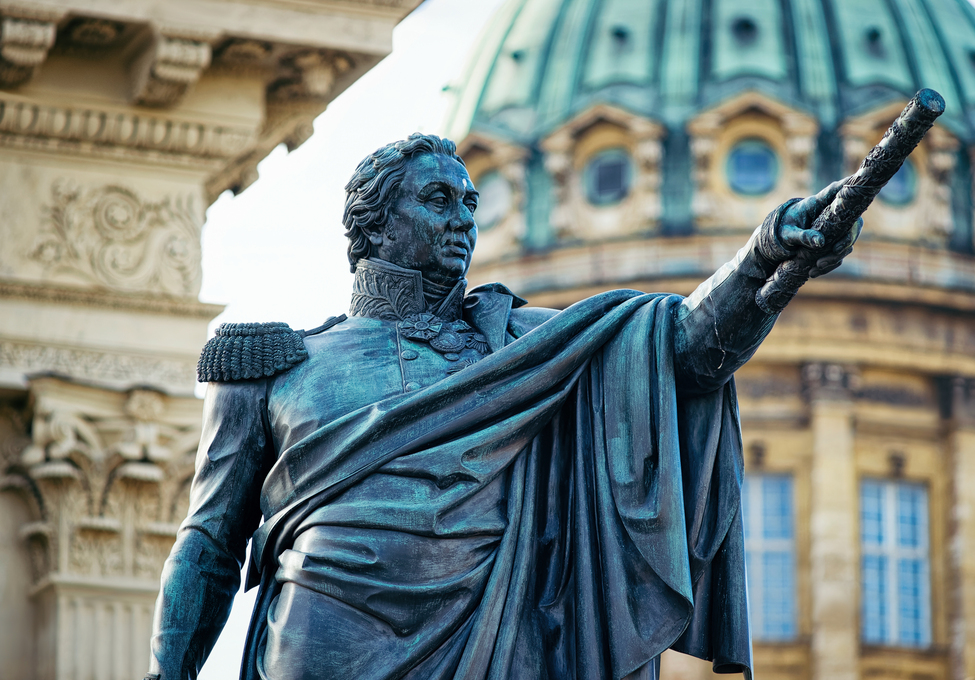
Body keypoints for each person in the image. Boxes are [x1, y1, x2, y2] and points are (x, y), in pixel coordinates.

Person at [147, 133, 859, 680]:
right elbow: (210, 543)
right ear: (372, 223)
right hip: (327, 634)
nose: (462, 221)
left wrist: (767, 260)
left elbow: (684, 349)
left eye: (469, 205)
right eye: (437, 201)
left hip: (497, 631)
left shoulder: (522, 343)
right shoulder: (273, 365)